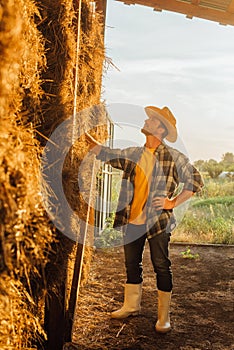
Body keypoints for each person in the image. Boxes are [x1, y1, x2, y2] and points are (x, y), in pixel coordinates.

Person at [86, 105, 203, 333]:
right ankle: (131, 306)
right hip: (132, 220)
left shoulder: (174, 157)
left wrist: (172, 203)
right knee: (132, 264)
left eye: (151, 120)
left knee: (161, 265)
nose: (146, 122)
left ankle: (163, 318)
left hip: (158, 222)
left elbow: (195, 182)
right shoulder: (134, 154)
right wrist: (83, 134)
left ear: (160, 128)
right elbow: (104, 153)